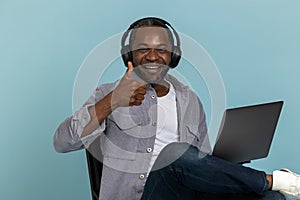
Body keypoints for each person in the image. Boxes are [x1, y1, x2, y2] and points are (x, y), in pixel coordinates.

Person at [53, 17, 300, 200]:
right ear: (128, 55)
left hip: (185, 195)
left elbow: (198, 161)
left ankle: (272, 186)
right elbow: (62, 142)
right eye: (142, 50)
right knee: (175, 153)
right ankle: (274, 180)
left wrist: (225, 166)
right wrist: (114, 100)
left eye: (161, 50)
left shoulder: (189, 100)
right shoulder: (106, 93)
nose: (152, 56)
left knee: (272, 199)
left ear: (173, 56)